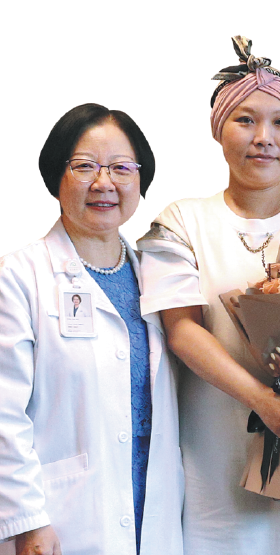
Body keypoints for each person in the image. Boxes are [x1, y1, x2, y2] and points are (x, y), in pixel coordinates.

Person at [137, 36, 280, 555]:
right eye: (245, 120)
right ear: (218, 129)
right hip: (214, 463)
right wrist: (264, 402)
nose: (263, 138)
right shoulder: (183, 221)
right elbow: (183, 330)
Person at [0, 104, 183, 555]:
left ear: (141, 179)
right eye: (84, 167)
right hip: (63, 520)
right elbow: (4, 414)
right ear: (56, 176)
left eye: (121, 168)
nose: (104, 183)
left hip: (154, 509)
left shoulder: (158, 275)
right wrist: (28, 521)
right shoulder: (19, 277)